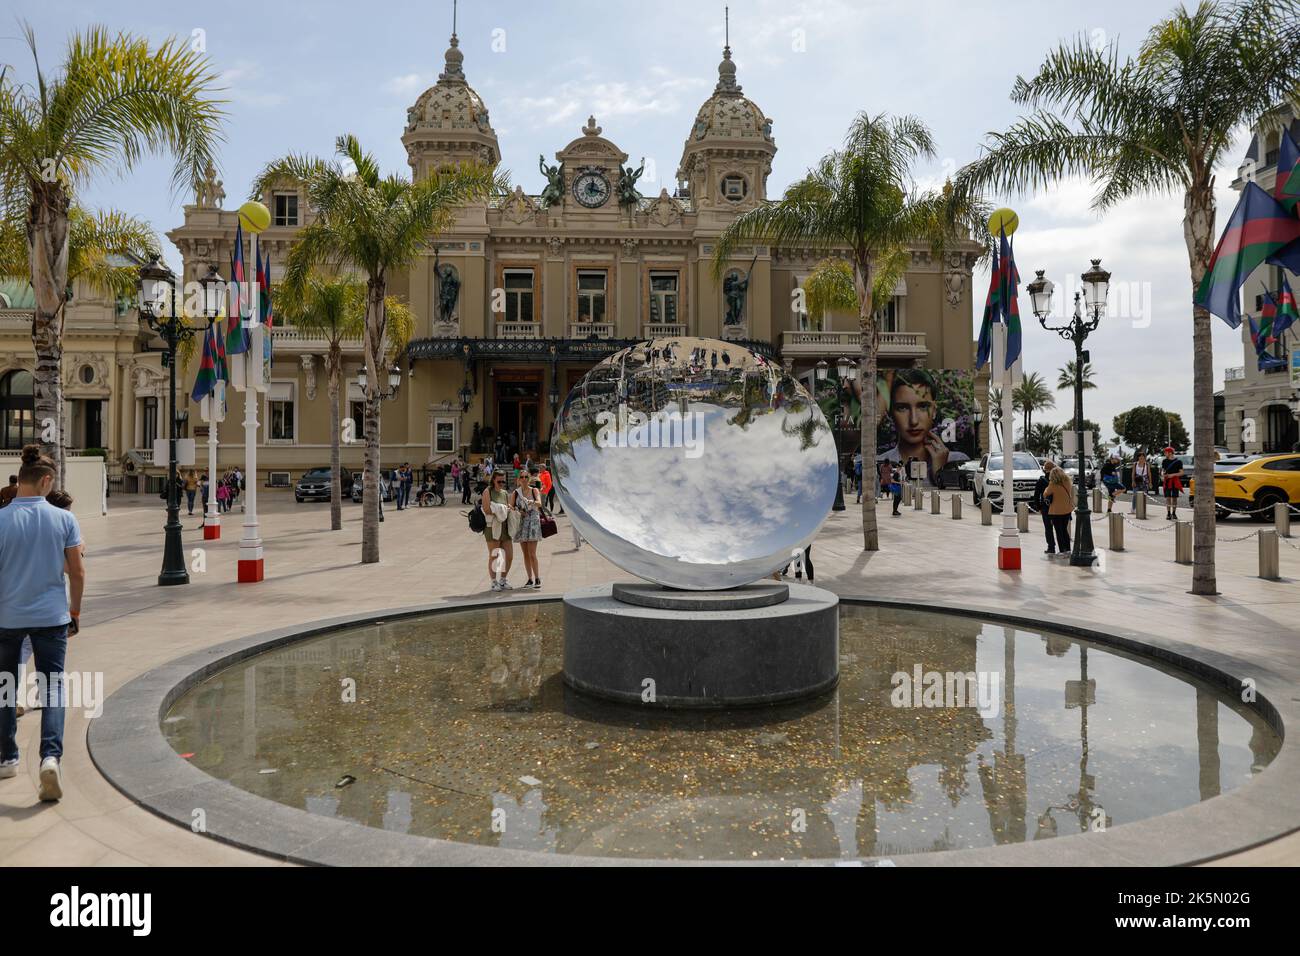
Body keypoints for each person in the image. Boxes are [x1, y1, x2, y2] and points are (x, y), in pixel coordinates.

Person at [0, 445, 86, 802]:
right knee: (52, 689)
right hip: (52, 617)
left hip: (7, 617)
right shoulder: (64, 520)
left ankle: (7, 756)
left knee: (5, 685)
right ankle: (50, 757)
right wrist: (75, 612)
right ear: (46, 481)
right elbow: (78, 572)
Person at [512, 468, 544, 590]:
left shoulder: (534, 490)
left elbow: (539, 503)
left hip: (533, 522)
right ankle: (529, 579)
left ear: (529, 478)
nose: (524, 479)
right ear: (518, 480)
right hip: (521, 522)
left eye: (526, 477)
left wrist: (531, 502)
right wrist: (518, 510)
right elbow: (511, 506)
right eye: (522, 477)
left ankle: (537, 578)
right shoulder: (516, 492)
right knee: (525, 554)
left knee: (532, 553)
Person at [481, 471, 513, 590]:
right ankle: (494, 582)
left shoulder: (505, 493)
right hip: (492, 527)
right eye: (499, 481)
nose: (501, 483)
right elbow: (487, 509)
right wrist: (501, 509)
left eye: (503, 481)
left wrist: (505, 509)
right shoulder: (487, 491)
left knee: (509, 556)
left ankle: (503, 580)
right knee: (495, 555)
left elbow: (509, 507)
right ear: (493, 480)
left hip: (505, 527)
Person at [1042, 465, 1074, 556]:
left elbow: (1046, 494)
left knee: (1058, 531)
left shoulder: (1053, 483)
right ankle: (1068, 549)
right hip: (1067, 509)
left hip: (1056, 511)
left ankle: (1062, 550)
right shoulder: (1067, 481)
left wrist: (1045, 489)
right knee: (1064, 530)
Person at [1032, 459, 1056, 553]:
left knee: (1048, 528)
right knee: (1058, 528)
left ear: (1044, 469)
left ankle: (1051, 547)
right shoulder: (1057, 480)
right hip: (1056, 506)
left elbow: (1036, 495)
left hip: (1045, 507)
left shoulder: (1041, 480)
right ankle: (1063, 548)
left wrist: (1038, 507)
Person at [1160, 445, 1183, 520]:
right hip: (1167, 481)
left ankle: (1174, 513)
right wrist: (1163, 475)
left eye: (1165, 452)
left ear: (1170, 453)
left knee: (1174, 498)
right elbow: (1163, 470)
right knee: (1168, 498)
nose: (1164, 454)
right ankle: (1168, 513)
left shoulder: (1178, 462)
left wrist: (1172, 475)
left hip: (1175, 481)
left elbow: (1181, 473)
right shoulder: (1164, 461)